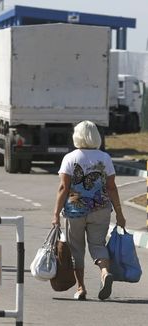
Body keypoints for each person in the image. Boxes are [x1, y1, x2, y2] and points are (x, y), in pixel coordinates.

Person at [52, 120, 126, 301]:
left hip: (74, 210)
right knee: (98, 245)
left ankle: (81, 288)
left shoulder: (70, 158)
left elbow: (63, 187)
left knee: (76, 249)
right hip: (100, 209)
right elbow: (111, 187)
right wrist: (119, 212)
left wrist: (55, 213)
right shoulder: (105, 158)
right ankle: (105, 272)